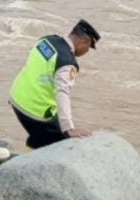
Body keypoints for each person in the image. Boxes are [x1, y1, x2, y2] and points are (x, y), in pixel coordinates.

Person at [8, 19, 101, 149]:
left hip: (16, 97)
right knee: (63, 144)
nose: (87, 52)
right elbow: (62, 92)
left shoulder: (46, 40)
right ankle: (29, 160)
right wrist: (69, 129)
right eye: (89, 47)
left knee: (40, 135)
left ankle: (29, 149)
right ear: (83, 42)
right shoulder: (67, 62)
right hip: (34, 111)